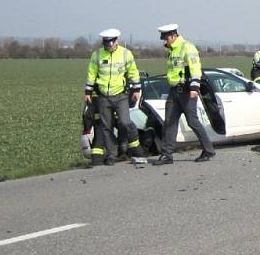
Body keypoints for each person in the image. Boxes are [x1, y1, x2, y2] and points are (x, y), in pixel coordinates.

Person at [155, 23, 215, 164]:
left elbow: (195, 68)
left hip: (187, 92)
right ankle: (167, 154)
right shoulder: (171, 50)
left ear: (173, 35)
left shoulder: (187, 47)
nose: (164, 41)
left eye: (166, 38)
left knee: (193, 122)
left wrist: (194, 87)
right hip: (174, 91)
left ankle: (208, 150)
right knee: (169, 122)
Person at [84, 28, 142, 165]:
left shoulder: (125, 54)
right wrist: (88, 92)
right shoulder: (97, 55)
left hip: (120, 94)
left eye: (110, 43)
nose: (108, 46)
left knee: (124, 122)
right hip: (103, 96)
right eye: (105, 43)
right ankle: (111, 155)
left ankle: (123, 143)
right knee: (106, 127)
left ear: (116, 41)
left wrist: (136, 89)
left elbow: (133, 72)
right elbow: (91, 74)